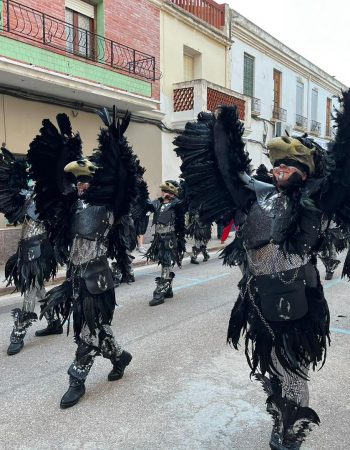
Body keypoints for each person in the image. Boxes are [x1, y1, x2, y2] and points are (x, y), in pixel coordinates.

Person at [174, 94, 350, 449]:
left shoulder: (316, 200)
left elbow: (344, 174)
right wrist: (222, 132)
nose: (279, 170)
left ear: (304, 170)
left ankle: (293, 423)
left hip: (297, 298)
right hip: (257, 298)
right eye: (277, 165)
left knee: (293, 366)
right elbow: (229, 174)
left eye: (288, 166)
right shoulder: (258, 195)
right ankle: (281, 408)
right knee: (271, 366)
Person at [28, 109, 139, 408]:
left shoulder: (109, 208)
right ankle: (119, 356)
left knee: (87, 334)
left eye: (87, 180)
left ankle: (76, 380)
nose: (81, 185)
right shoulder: (71, 208)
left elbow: (123, 181)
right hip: (75, 278)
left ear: (97, 180)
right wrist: (66, 143)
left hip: (98, 280)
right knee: (100, 330)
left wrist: (115, 141)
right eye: (78, 181)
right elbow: (52, 185)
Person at [0, 146, 60, 356]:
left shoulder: (51, 198)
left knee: (30, 288)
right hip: (25, 250)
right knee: (39, 289)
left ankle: (19, 331)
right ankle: (53, 321)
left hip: (39, 251)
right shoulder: (27, 196)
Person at [145, 180, 186, 306]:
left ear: (173, 194)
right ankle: (168, 288)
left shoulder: (177, 204)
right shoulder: (157, 203)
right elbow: (146, 205)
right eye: (164, 191)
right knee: (164, 261)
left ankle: (161, 290)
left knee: (166, 261)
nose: (165, 194)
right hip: (158, 238)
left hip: (169, 238)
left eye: (168, 192)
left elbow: (182, 214)